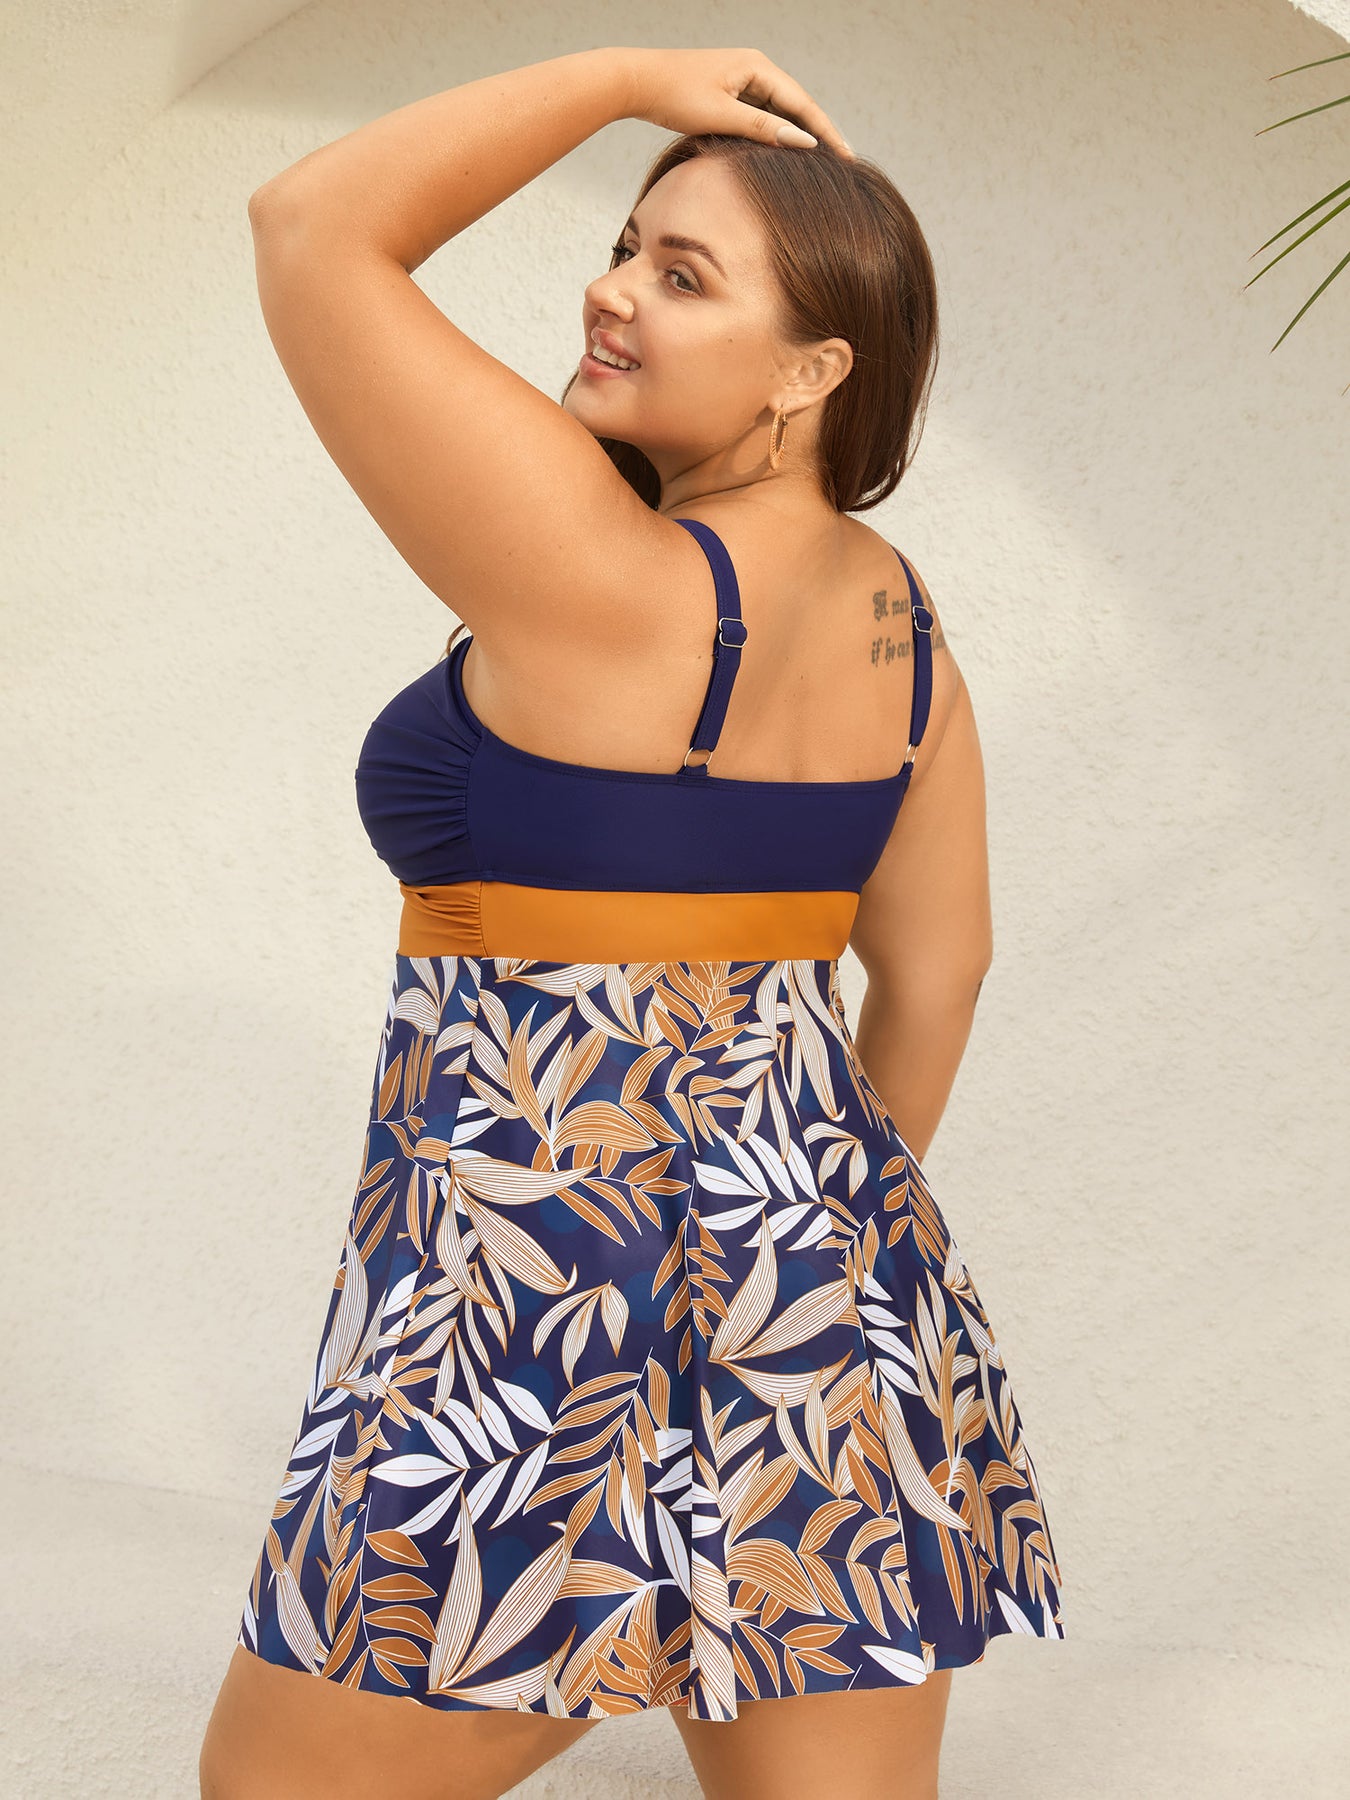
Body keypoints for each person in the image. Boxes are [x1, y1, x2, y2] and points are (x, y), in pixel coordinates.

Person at [200, 44, 1064, 1800]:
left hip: (533, 1307)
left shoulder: (597, 574)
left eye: (682, 276)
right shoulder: (902, 624)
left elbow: (313, 226)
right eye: (622, 247)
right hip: (830, 1306)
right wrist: (775, 1268)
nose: (609, 293)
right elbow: (938, 969)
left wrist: (622, 78)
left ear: (813, 368)